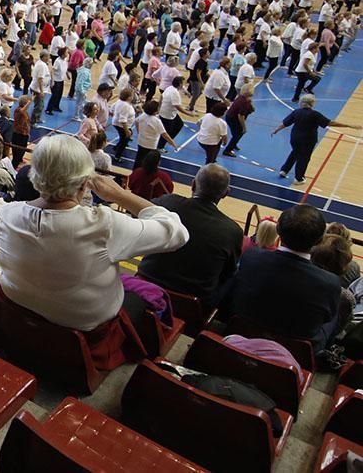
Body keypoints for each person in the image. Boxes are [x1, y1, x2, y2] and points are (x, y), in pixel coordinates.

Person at [0, 134, 188, 332]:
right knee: (149, 297)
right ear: (83, 184)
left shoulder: (8, 213)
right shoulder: (104, 225)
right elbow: (177, 232)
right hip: (83, 328)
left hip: (17, 311)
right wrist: (120, 195)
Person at [222, 205, 342, 354]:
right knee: (339, 309)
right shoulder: (330, 283)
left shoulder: (252, 257)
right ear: (319, 241)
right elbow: (326, 318)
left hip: (242, 331)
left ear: (278, 229)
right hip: (295, 351)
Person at [137, 164, 243, 306]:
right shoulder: (232, 231)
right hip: (190, 303)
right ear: (226, 193)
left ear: (193, 184)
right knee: (236, 277)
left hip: (145, 284)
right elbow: (227, 272)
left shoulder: (167, 202)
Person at [272, 95, 361, 185]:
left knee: (295, 152)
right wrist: (348, 125)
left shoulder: (296, 112)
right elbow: (330, 123)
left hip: (295, 138)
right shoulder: (315, 114)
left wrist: (276, 130)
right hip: (308, 140)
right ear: (312, 103)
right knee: (304, 158)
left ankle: (284, 170)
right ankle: (299, 178)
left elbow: (285, 123)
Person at [222, 84, 254, 157]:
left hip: (231, 117)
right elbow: (240, 116)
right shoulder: (243, 102)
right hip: (233, 119)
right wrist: (244, 127)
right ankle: (227, 150)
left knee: (237, 133)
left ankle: (234, 144)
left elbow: (251, 109)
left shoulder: (244, 98)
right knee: (238, 133)